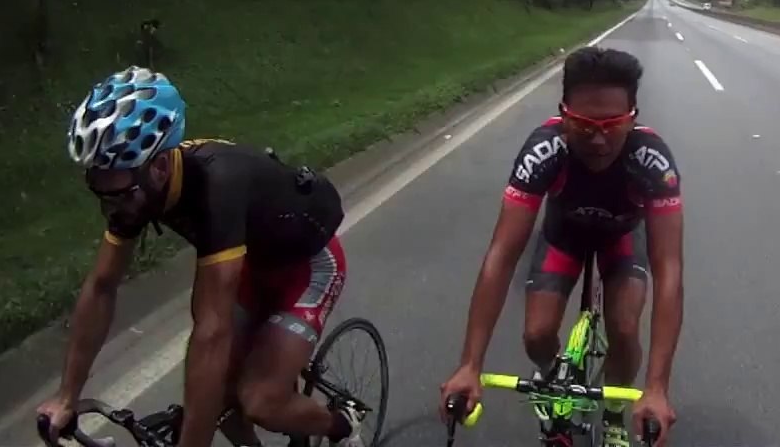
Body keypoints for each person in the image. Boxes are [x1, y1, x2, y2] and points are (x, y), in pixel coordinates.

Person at [36, 66, 361, 447]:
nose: (112, 208)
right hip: (250, 262)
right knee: (221, 404)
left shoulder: (217, 185)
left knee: (259, 400)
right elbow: (103, 286)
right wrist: (66, 398)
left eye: (121, 193)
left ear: (158, 166)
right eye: (100, 191)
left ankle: (343, 424)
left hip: (307, 267)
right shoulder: (134, 192)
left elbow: (211, 331)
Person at [438, 47, 685, 447]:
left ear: (634, 116)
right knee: (536, 334)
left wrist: (656, 388)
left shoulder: (651, 159)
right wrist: (470, 364)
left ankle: (615, 414)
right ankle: (556, 380)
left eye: (614, 123)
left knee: (624, 327)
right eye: (584, 125)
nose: (600, 139)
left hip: (620, 239)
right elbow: (501, 256)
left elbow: (669, 271)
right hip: (564, 234)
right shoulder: (545, 150)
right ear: (563, 114)